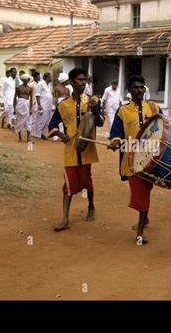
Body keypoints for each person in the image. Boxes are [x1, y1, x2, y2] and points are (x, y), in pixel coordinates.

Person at [47, 68, 104, 231]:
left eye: (85, 80)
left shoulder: (93, 100)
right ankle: (65, 218)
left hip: (87, 149)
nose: (83, 83)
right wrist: (60, 134)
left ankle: (91, 206)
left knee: (87, 181)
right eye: (79, 80)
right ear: (72, 82)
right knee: (68, 183)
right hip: (71, 150)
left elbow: (100, 123)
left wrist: (94, 110)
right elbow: (51, 126)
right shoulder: (63, 105)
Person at [108, 75, 162, 244]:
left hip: (153, 158)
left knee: (146, 189)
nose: (139, 90)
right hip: (132, 160)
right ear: (129, 91)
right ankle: (140, 230)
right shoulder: (123, 111)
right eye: (136, 87)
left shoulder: (154, 108)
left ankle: (144, 218)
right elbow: (116, 133)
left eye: (142, 87)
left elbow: (166, 126)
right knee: (140, 191)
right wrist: (116, 143)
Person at [33, 72, 53, 140]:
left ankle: (43, 134)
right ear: (47, 77)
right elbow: (37, 95)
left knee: (47, 121)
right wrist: (39, 105)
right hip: (43, 105)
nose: (51, 78)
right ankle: (37, 135)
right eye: (50, 77)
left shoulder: (49, 85)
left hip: (48, 106)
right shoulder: (41, 83)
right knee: (41, 120)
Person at [13, 73, 33, 142]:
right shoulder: (18, 87)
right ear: (23, 80)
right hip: (20, 104)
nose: (26, 81)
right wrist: (14, 108)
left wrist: (30, 109)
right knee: (19, 121)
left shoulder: (30, 88)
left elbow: (31, 99)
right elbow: (15, 98)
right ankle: (20, 137)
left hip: (27, 105)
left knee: (28, 121)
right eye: (24, 80)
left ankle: (28, 138)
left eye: (27, 80)